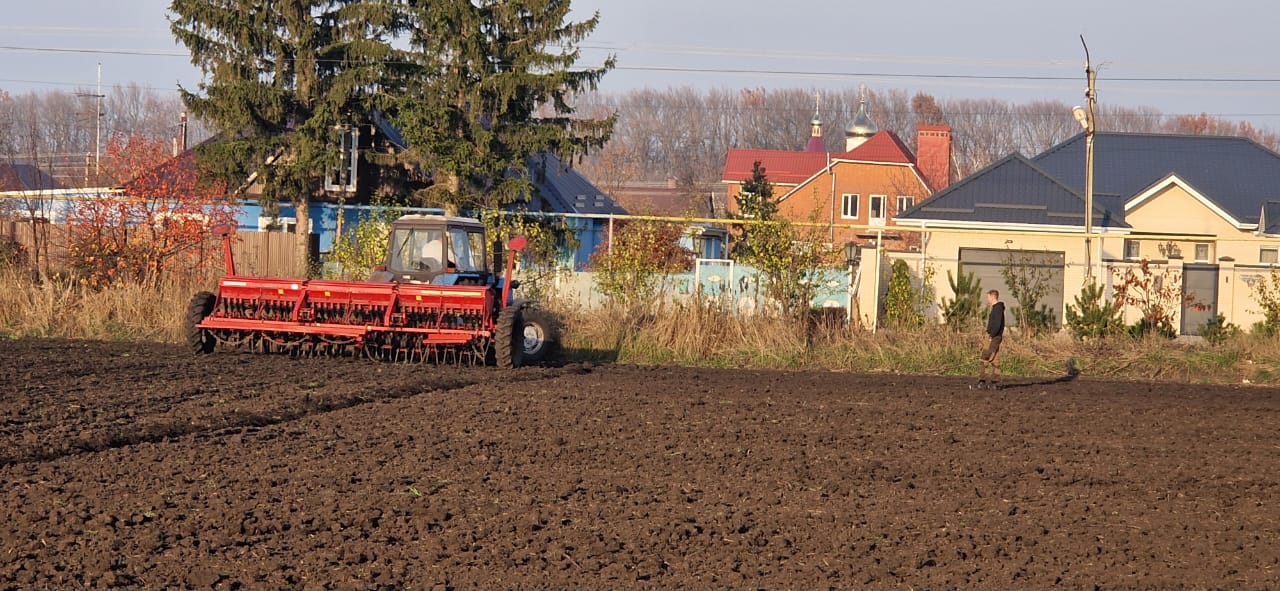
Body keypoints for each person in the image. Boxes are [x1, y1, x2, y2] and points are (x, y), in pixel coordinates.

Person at [975, 289, 1005, 390]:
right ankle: (995, 382)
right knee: (994, 358)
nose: (987, 299)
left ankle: (983, 381)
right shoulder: (996, 308)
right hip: (994, 336)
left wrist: (991, 335)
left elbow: (997, 324)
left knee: (986, 357)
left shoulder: (998, 309)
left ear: (993, 296)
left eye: (988, 297)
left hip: (994, 337)